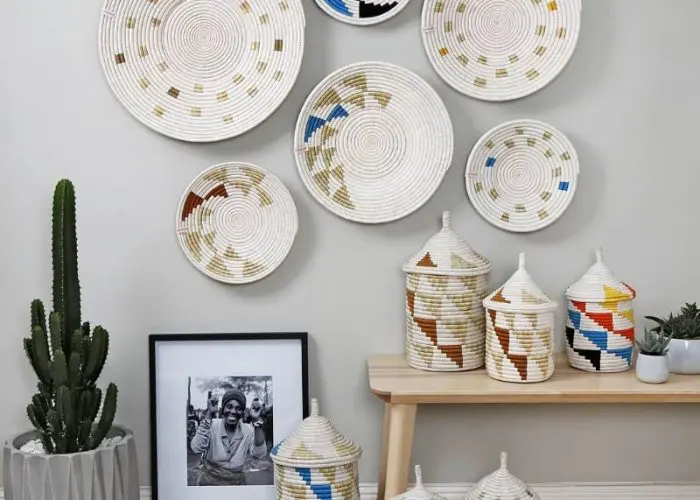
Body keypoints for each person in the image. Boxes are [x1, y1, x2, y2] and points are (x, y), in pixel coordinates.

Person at [190, 389, 267, 486]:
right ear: (222, 409)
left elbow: (259, 454)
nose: (233, 411)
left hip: (236, 484)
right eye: (229, 407)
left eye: (238, 408)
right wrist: (209, 413)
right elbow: (196, 448)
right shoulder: (212, 425)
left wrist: (256, 420)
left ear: (242, 412)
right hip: (208, 483)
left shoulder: (249, 430)